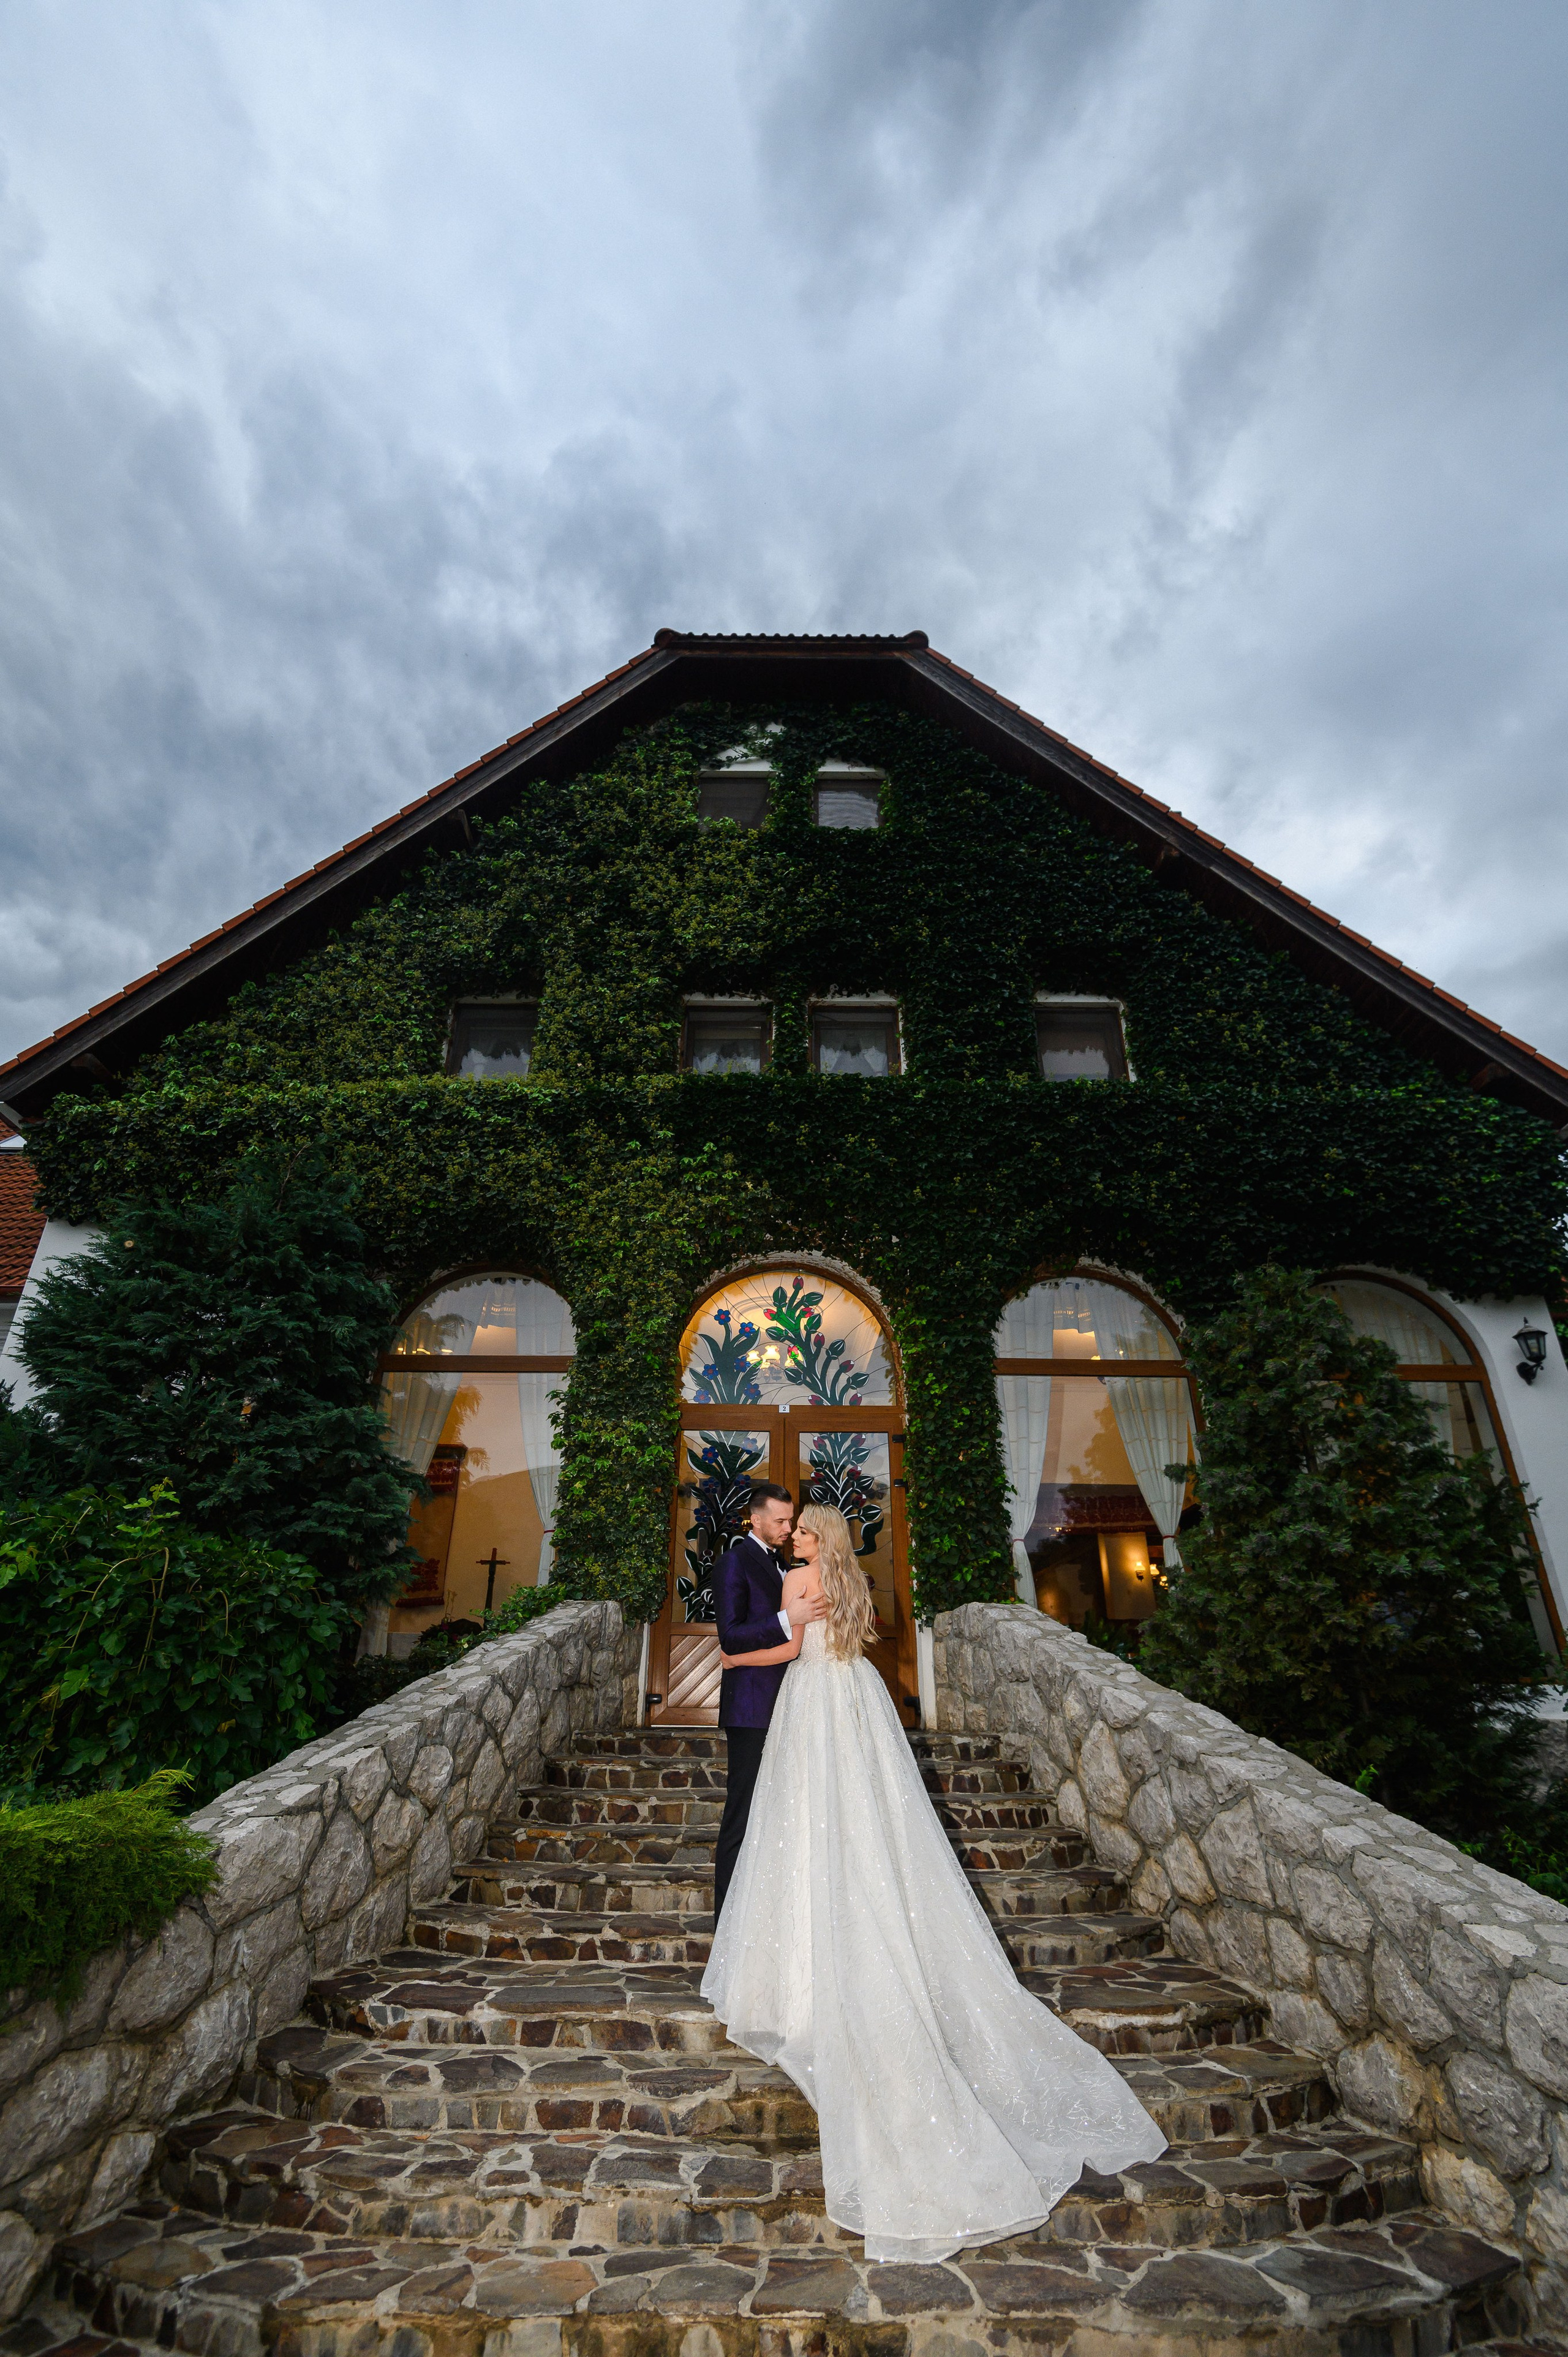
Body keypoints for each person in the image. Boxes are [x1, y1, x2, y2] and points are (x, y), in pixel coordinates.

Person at [701, 1503, 1166, 2265]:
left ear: (817, 1539)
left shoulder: (795, 1577)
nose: (797, 1537)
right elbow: (849, 1639)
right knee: (870, 1823)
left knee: (799, 1825)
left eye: (805, 1529)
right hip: (855, 1702)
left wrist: (735, 1658)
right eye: (794, 1528)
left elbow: (782, 1650)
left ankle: (797, 1964)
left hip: (808, 1707)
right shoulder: (854, 1584)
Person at [710, 1482, 826, 1923]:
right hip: (753, 1708)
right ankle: (728, 1925)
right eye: (779, 1521)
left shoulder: (784, 1564)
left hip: (794, 1703)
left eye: (790, 1521)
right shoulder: (733, 1563)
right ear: (754, 1518)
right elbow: (731, 1635)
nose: (787, 1528)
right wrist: (786, 1619)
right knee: (742, 1815)